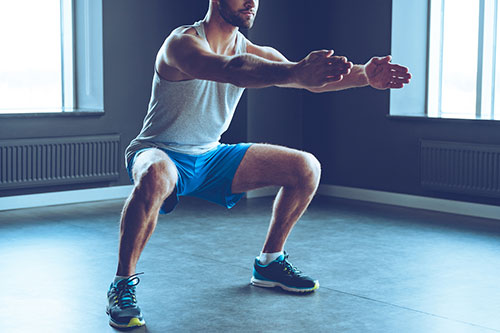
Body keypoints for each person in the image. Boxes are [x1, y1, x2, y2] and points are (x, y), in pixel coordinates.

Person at [106, 0, 411, 328]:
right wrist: (294, 71)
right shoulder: (182, 44)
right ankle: (122, 284)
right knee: (155, 173)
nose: (251, 1)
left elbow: (305, 79)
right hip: (160, 150)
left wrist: (365, 74)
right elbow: (232, 69)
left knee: (306, 167)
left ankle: (269, 262)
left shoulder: (255, 50)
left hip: (210, 156)